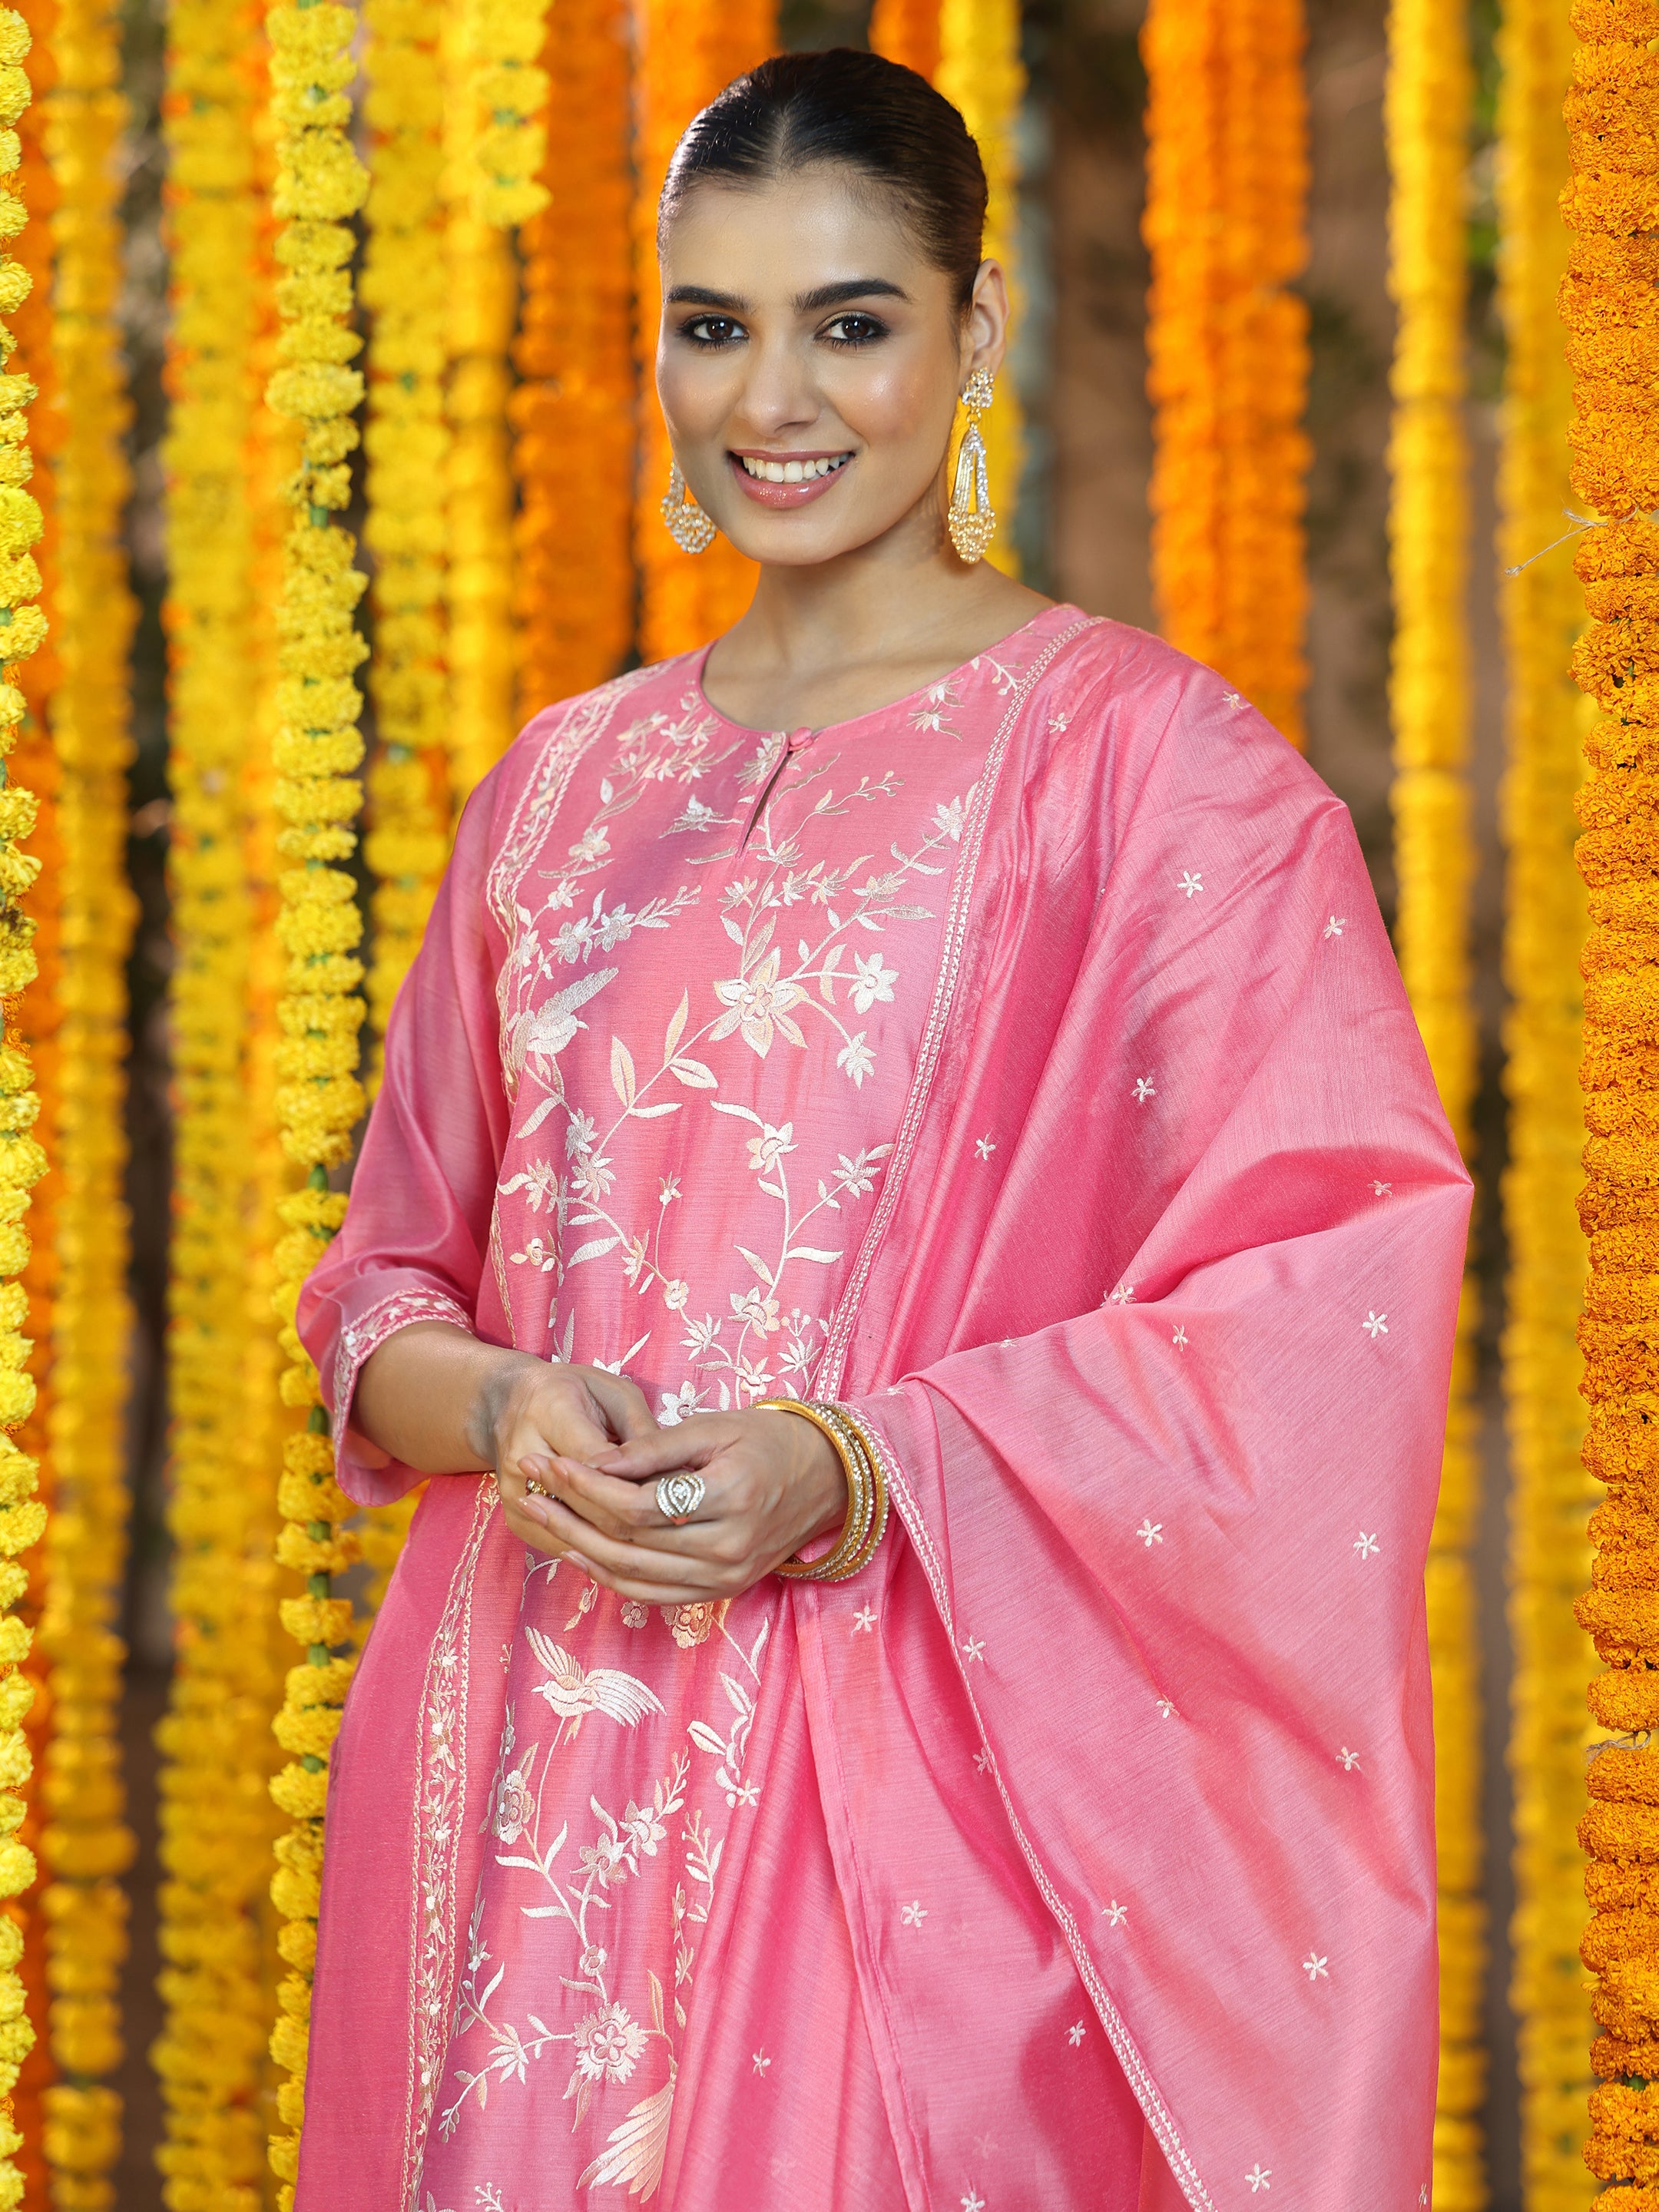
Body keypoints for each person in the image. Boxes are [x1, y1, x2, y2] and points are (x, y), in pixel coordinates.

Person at [294, 46, 1470, 2212]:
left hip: (906, 1812)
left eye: (850, 322)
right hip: (530, 1783)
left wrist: (854, 1467)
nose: (775, 401)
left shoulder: (1154, 777)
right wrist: (505, 1403)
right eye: (714, 325)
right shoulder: (559, 789)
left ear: (977, 334)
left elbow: (1323, 1310)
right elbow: (383, 1284)